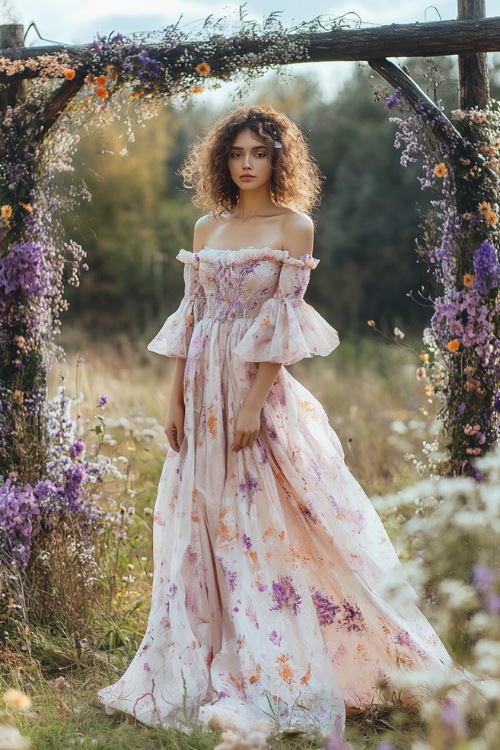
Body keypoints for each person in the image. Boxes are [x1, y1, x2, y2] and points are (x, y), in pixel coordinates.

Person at [98, 105, 461, 737]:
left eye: (258, 154)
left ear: (277, 159)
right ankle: (206, 653)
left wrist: (250, 403)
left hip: (253, 391)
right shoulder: (207, 226)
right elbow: (190, 319)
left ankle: (292, 652)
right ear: (223, 160)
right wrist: (173, 397)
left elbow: (283, 325)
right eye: (236, 153)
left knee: (273, 517)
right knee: (204, 518)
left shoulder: (295, 227)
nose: (245, 164)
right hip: (201, 386)